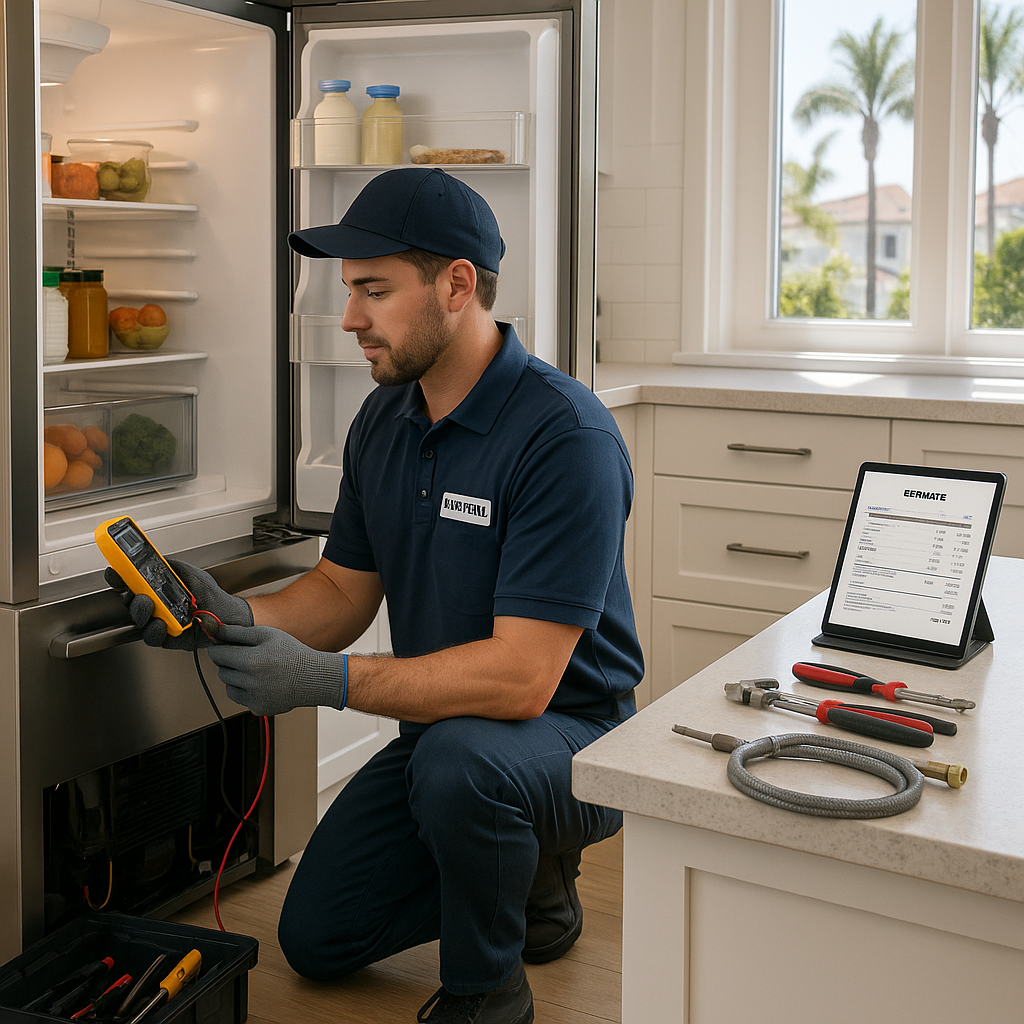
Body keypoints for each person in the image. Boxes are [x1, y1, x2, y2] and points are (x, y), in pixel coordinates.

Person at [107, 167, 643, 1024]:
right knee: (319, 940)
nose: (350, 317)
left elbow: (523, 681)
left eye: (374, 289)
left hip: (574, 741)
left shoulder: (565, 437)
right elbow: (339, 591)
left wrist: (329, 682)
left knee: (461, 765)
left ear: (457, 285)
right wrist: (231, 616)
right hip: (449, 741)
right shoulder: (385, 419)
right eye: (348, 290)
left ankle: (488, 990)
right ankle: (523, 875)